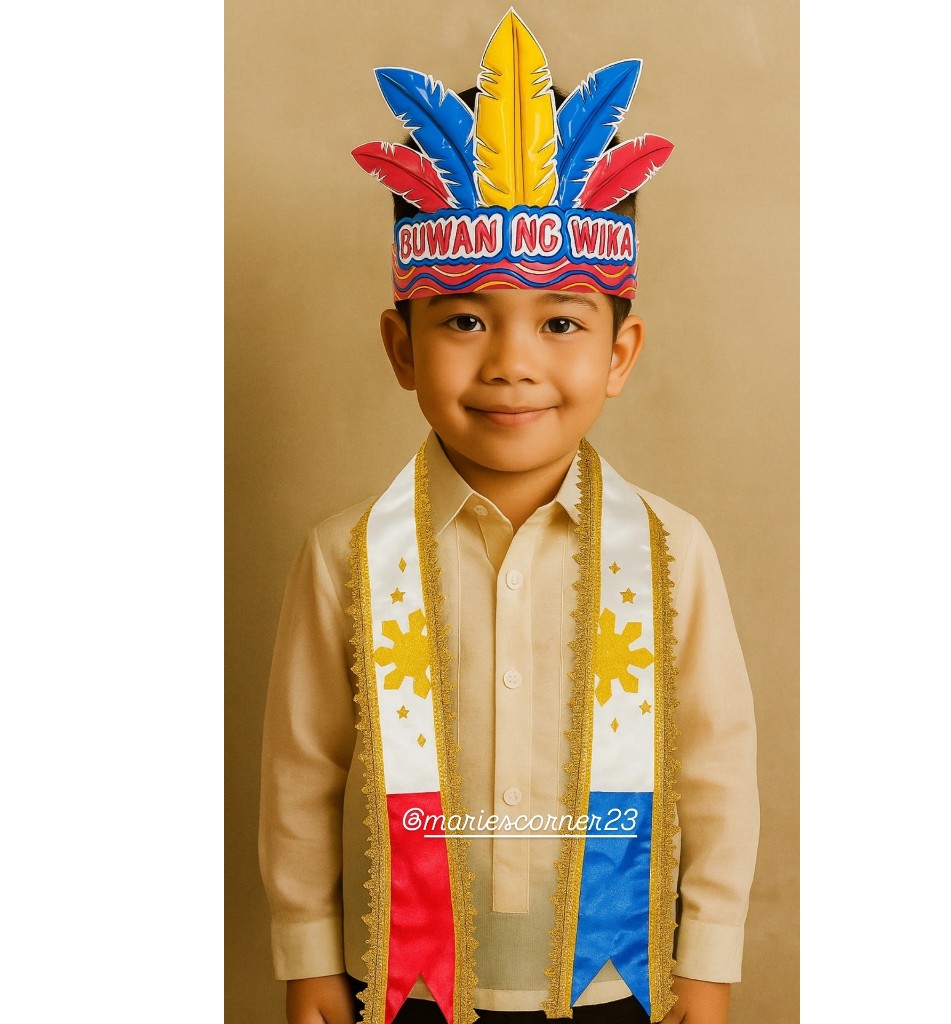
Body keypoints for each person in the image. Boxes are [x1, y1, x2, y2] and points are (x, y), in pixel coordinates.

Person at [260, 12, 758, 1024]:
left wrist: (706, 965)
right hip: (403, 987)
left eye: (561, 322)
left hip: (622, 984)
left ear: (619, 355)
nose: (511, 363)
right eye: (464, 320)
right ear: (403, 349)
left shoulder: (671, 552)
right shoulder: (345, 555)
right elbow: (302, 773)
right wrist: (307, 956)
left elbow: (716, 771)